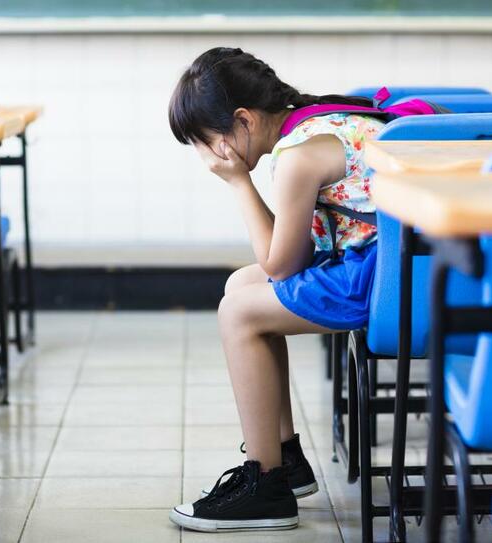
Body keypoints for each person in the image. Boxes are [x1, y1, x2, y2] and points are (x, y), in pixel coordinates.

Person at [167, 47, 383, 532]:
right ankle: (285, 458)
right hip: (397, 262)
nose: (206, 156)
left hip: (382, 277)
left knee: (238, 312)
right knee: (240, 284)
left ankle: (264, 486)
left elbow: (283, 265)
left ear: (242, 119)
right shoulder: (320, 119)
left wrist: (239, 184)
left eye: (207, 140)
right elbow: (288, 256)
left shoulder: (297, 157)